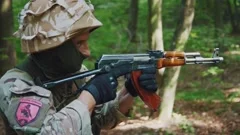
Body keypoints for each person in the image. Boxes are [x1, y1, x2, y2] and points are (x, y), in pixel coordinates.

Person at [0, 0, 158, 134]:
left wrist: (129, 92)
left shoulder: (75, 74)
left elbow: (102, 120)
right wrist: (90, 96)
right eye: (79, 43)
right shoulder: (17, 86)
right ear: (54, 48)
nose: (87, 52)